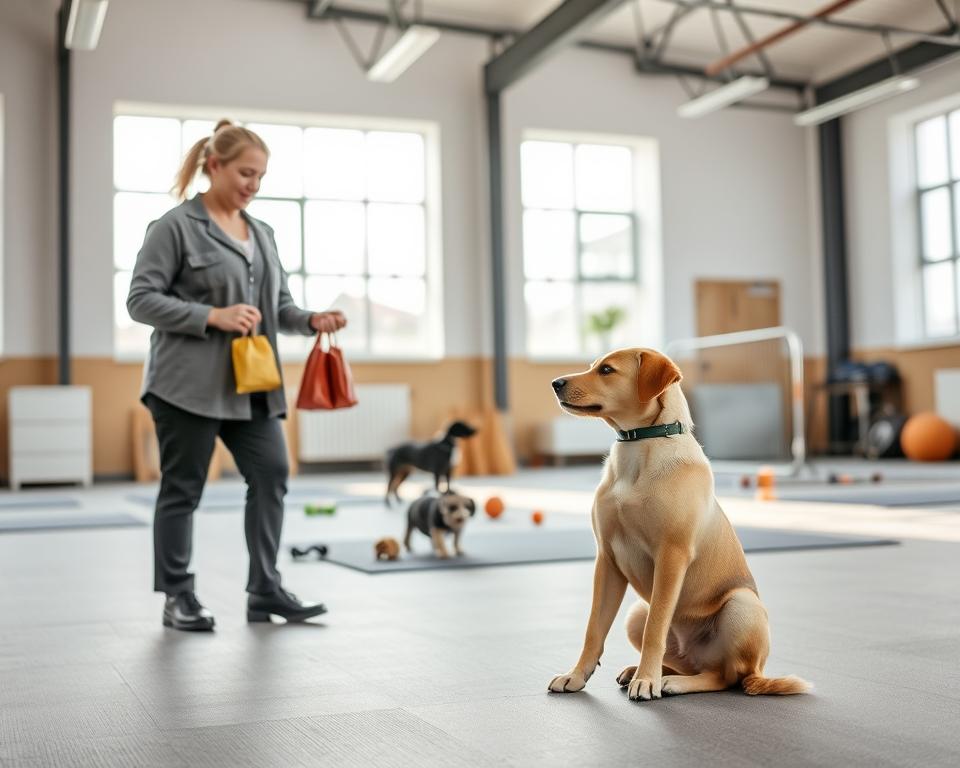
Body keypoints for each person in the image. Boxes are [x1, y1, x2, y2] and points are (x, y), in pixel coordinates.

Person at [127, 119, 346, 631]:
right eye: (246, 173)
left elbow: (280, 307)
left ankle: (264, 588)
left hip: (252, 385)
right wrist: (211, 317)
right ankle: (177, 595)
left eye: (261, 177)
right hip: (186, 386)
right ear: (214, 165)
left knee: (271, 474)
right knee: (183, 489)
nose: (253, 184)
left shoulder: (262, 233)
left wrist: (311, 319)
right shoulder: (174, 227)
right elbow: (140, 299)